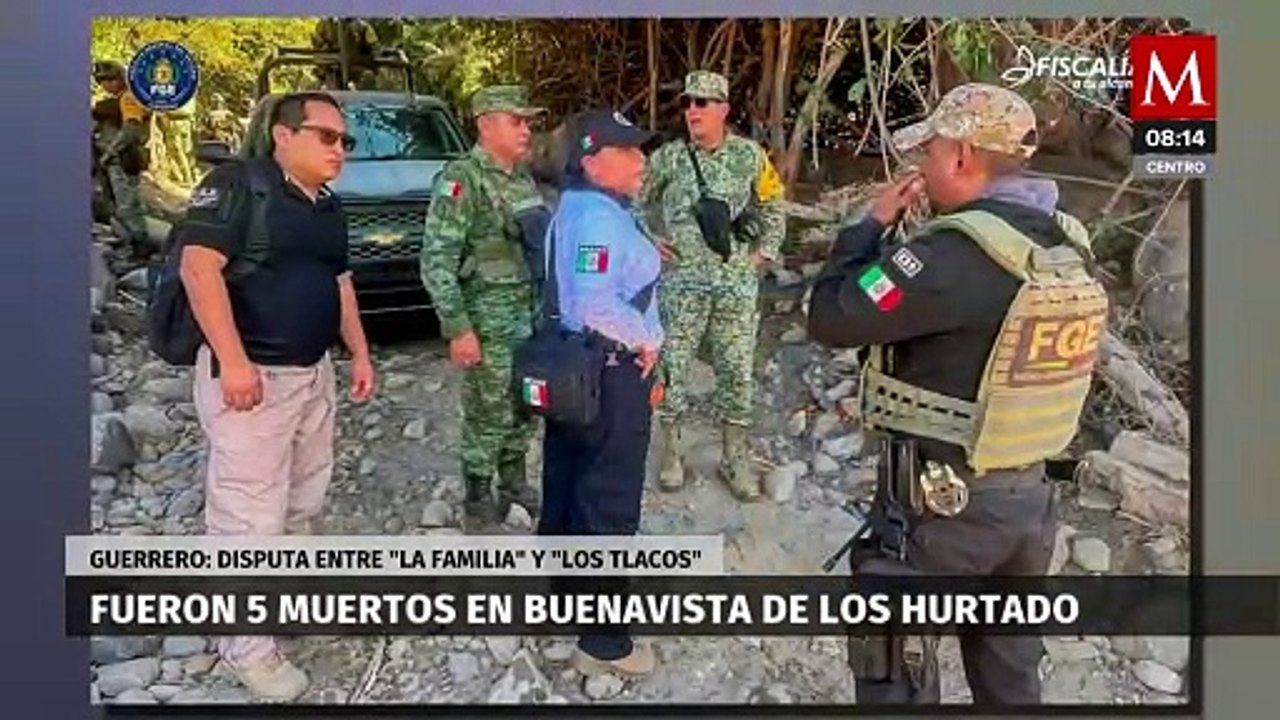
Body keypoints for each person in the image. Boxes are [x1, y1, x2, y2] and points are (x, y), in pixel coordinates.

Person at [806, 83, 1107, 705]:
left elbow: (834, 317)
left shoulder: (950, 255)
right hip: (1028, 504)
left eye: (932, 152)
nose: (922, 166)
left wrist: (868, 228)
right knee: (1009, 675)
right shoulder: (1065, 242)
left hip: (941, 513)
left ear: (964, 157)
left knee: (895, 667)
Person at [175, 91, 377, 701]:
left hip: (313, 376)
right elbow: (198, 268)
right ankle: (248, 650)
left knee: (303, 499)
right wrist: (235, 363)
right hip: (253, 383)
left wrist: (359, 352)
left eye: (346, 141)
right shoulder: (240, 186)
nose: (340, 149)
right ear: (283, 136)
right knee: (247, 518)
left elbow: (338, 281)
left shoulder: (328, 206)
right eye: (327, 136)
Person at [537, 109, 663, 678]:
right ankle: (604, 641)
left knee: (567, 481)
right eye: (628, 151)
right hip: (609, 371)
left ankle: (561, 599)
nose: (642, 161)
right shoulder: (597, 219)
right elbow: (593, 302)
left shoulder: (583, 208)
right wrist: (648, 341)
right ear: (591, 160)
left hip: (575, 368)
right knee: (608, 503)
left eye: (642, 149)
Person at [639, 70, 787, 501]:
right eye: (687, 103)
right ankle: (672, 451)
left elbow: (772, 202)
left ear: (723, 109)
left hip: (735, 285)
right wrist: (649, 239)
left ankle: (734, 456)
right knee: (672, 367)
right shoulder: (668, 158)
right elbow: (632, 200)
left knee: (737, 369)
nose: (693, 111)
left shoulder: (749, 156)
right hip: (682, 284)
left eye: (703, 103)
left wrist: (765, 253)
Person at [419, 85, 549, 526]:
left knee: (523, 405)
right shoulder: (463, 180)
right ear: (485, 124)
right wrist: (459, 328)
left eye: (527, 121)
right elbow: (437, 261)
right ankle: (478, 494)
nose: (526, 129)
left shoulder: (520, 178)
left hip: (527, 315)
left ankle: (514, 482)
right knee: (485, 410)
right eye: (517, 120)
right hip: (486, 322)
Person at [92, 60, 152, 254]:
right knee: (122, 206)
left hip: (123, 160)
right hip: (118, 160)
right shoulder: (121, 98)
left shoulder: (129, 98)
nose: (106, 84)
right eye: (102, 81)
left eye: (110, 79)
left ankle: (140, 248)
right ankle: (132, 245)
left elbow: (131, 129)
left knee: (128, 208)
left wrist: (110, 152)